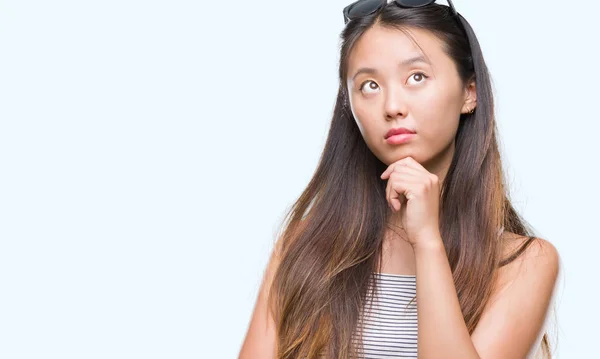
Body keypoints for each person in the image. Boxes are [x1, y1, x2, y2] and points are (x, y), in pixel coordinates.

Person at [239, 0, 560, 358]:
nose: (392, 106)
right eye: (369, 85)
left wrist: (427, 242)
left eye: (416, 77)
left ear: (470, 93)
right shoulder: (302, 247)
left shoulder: (522, 263)